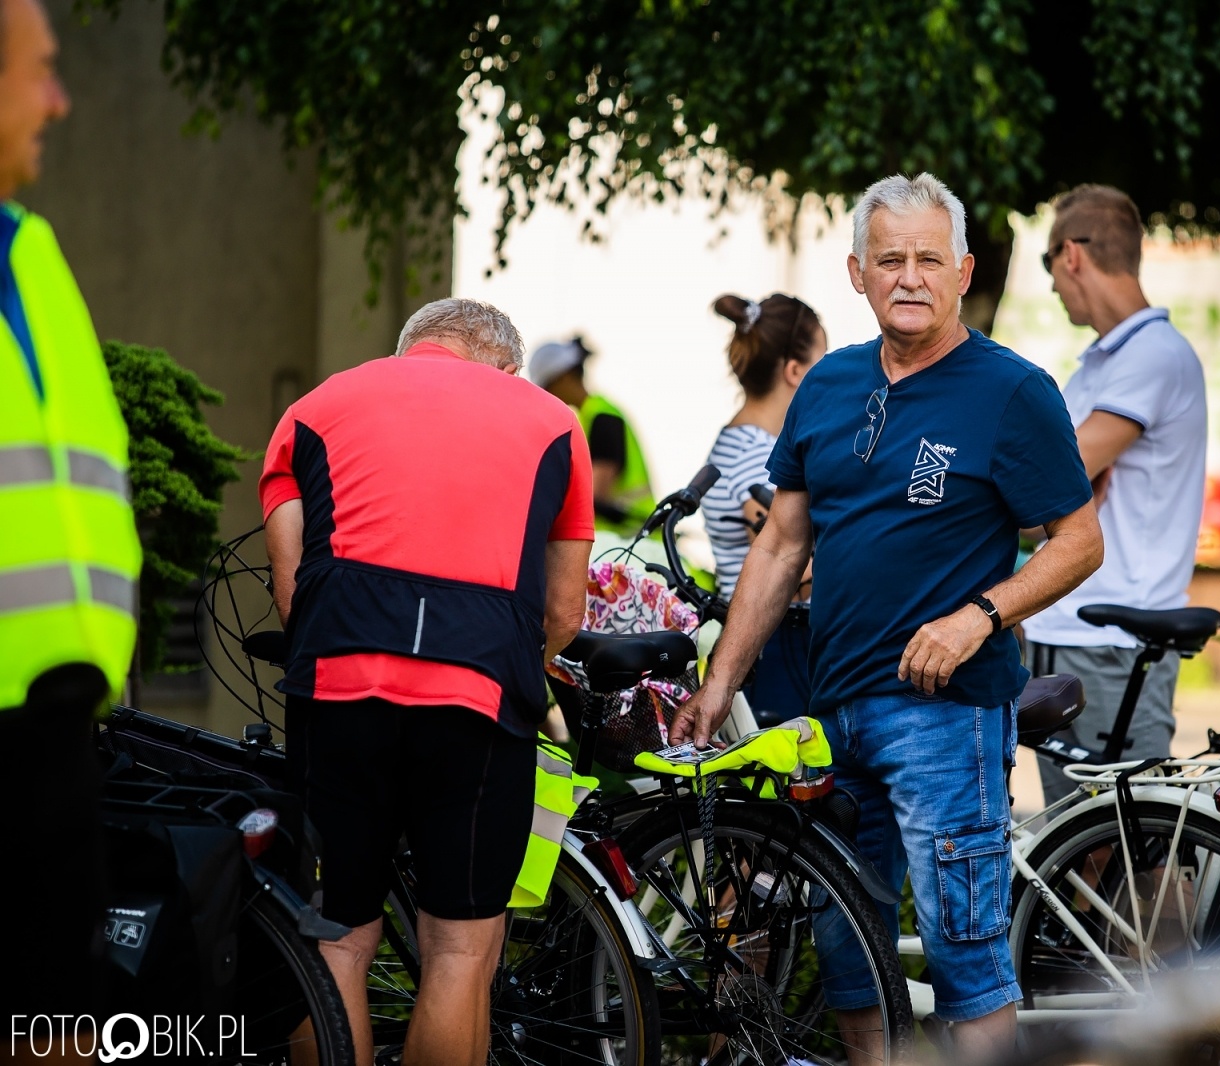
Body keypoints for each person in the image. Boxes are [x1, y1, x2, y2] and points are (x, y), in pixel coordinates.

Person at [670, 172, 1103, 1060]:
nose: (910, 276)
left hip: (945, 717)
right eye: (890, 258)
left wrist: (979, 616)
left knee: (966, 955)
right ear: (858, 273)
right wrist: (721, 683)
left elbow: (1078, 540)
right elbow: (784, 545)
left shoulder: (1011, 390)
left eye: (929, 259)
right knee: (846, 952)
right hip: (832, 713)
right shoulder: (825, 387)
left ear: (963, 271)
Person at [260, 298, 592, 1066]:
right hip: (478, 695)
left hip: (341, 685)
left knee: (334, 941)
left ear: (409, 352)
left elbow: (290, 590)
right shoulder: (549, 420)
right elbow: (565, 610)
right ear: (504, 364)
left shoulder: (317, 406)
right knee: (459, 951)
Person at [0, 0, 141, 1027]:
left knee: (58, 1021)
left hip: (52, 729)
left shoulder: (34, 254)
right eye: (39, 72)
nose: (60, 99)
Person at [1019, 184, 1208, 809]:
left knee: (1124, 860)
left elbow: (1057, 478)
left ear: (1072, 255)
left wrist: (1057, 487)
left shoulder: (1152, 354)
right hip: (1070, 629)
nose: (1051, 286)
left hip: (1110, 641)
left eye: (1049, 266)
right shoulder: (1099, 366)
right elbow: (1044, 503)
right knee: (1076, 855)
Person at [702, 292, 824, 722]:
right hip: (774, 646)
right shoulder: (761, 457)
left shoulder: (733, 438)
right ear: (794, 371)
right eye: (820, 364)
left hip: (752, 643)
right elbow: (792, 568)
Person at [528, 333, 655, 535]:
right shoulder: (589, 417)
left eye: (548, 386)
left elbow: (596, 494)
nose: (548, 395)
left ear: (564, 376)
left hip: (631, 541)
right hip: (626, 539)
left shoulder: (602, 417)